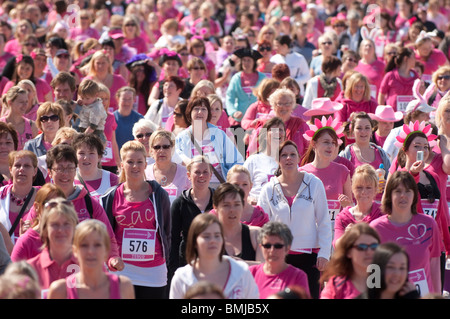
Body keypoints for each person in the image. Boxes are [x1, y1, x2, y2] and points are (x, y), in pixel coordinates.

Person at [258, 140, 331, 298]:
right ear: (278, 160)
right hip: (278, 255)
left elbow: (324, 220)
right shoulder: (268, 189)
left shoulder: (314, 183)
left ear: (299, 157)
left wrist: (325, 252)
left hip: (309, 256)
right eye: (284, 155)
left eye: (292, 154)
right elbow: (263, 226)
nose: (288, 158)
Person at [100, 140, 171, 299]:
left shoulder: (158, 195)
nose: (135, 166)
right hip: (122, 269)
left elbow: (167, 231)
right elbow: (107, 234)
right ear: (121, 164)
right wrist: (111, 259)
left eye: (139, 162)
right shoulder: (110, 197)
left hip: (153, 270)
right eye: (130, 162)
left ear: (146, 164)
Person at [370, 171, 442, 296]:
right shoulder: (376, 228)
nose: (403, 195)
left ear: (414, 195)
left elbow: (434, 265)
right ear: (389, 195)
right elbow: (373, 271)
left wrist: (436, 296)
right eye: (398, 191)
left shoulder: (429, 224)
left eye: (408, 191)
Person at [169, 213, 259, 299]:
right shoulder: (182, 278)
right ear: (194, 241)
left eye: (217, 236)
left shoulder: (241, 272)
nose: (213, 241)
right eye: (206, 236)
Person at [48, 219, 135, 299]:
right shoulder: (60, 291)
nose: (91, 251)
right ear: (74, 250)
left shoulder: (123, 287)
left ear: (106, 250)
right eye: (84, 245)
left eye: (97, 245)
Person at [300, 116, 352, 237]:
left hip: (334, 234)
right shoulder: (302, 172)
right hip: (308, 233)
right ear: (314, 144)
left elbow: (350, 208)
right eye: (326, 142)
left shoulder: (342, 171)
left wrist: (346, 205)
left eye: (333, 143)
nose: (330, 146)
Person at [175, 96, 244, 188]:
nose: (200, 112)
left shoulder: (219, 134)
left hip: (217, 186)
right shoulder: (182, 137)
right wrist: (187, 161)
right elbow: (176, 158)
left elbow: (236, 161)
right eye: (196, 109)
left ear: (208, 113)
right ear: (189, 112)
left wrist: (233, 181)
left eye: (204, 109)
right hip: (191, 185)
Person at [168, 155, 214, 281]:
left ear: (211, 175)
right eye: (197, 172)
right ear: (188, 175)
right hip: (187, 263)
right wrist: (174, 270)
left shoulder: (219, 199)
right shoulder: (179, 203)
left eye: (205, 172)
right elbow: (173, 240)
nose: (201, 176)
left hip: (214, 263)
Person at [26, 198, 79, 298]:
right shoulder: (29, 271)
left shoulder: (90, 265)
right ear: (45, 229)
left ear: (74, 227)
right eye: (55, 224)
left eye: (66, 224)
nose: (61, 230)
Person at [249, 221, 310, 299]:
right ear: (261, 247)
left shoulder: (298, 276)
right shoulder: (251, 273)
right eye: (267, 246)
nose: (272, 250)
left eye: (278, 246)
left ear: (287, 248)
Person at [320, 223, 381, 299]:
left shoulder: (388, 281)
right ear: (348, 252)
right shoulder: (337, 285)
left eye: (374, 246)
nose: (369, 251)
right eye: (362, 247)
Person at [11, 183, 66, 262]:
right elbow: (14, 272)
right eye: (49, 204)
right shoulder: (26, 241)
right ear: (36, 207)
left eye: (60, 204)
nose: (55, 209)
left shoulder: (68, 236)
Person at [212, 182, 263, 265]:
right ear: (215, 207)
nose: (232, 210)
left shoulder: (256, 234)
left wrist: (238, 265)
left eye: (236, 204)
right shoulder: (208, 237)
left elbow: (264, 269)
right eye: (226, 205)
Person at [333, 164, 383, 248]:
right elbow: (337, 246)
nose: (363, 192)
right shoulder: (343, 217)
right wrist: (346, 236)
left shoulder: (383, 213)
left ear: (376, 189)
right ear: (352, 189)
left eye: (368, 188)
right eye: (359, 187)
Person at [339, 112, 391, 191]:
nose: (363, 131)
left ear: (372, 130)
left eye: (367, 128)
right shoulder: (345, 155)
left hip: (379, 202)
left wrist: (386, 184)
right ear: (352, 131)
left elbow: (391, 180)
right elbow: (339, 183)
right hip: (355, 202)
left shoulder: (381, 153)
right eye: (359, 128)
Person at [0, 150, 39, 244]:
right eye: (17, 165)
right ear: (10, 170)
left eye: (27, 166)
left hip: (33, 255)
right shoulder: (1, 194)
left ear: (35, 171)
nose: (21, 169)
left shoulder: (44, 196)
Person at [244, 117, 286, 200]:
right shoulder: (253, 160)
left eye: (281, 130)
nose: (278, 133)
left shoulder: (289, 159)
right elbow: (239, 187)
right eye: (274, 130)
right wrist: (248, 199)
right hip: (258, 209)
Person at [145, 129, 190, 204]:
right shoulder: (145, 172)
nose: (161, 150)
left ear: (172, 148)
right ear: (151, 150)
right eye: (157, 147)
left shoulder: (185, 173)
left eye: (166, 147)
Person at [225, 48, 266, 128]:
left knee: (259, 140)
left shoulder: (263, 78)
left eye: (249, 60)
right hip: (239, 120)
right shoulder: (236, 78)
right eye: (244, 60)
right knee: (238, 140)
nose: (246, 63)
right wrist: (233, 112)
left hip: (258, 120)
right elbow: (230, 97)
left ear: (254, 62)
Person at [72, 133, 119, 201]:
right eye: (81, 153)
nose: (86, 158)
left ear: (99, 156)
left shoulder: (113, 180)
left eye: (91, 153)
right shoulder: (67, 180)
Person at [378, 47, 419, 112]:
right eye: (413, 57)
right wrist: (382, 113)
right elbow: (381, 94)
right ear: (406, 58)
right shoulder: (390, 75)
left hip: (409, 116)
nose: (415, 60)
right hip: (393, 116)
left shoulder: (415, 76)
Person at [0, 86, 38, 150]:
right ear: (10, 102)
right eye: (21, 102)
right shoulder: (1, 124)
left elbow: (35, 150)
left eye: (26, 101)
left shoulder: (32, 125)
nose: (25, 105)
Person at [113, 86, 144, 151]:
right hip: (116, 158)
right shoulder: (111, 118)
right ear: (118, 99)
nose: (127, 102)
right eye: (124, 99)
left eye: (129, 99)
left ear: (134, 100)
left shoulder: (140, 119)